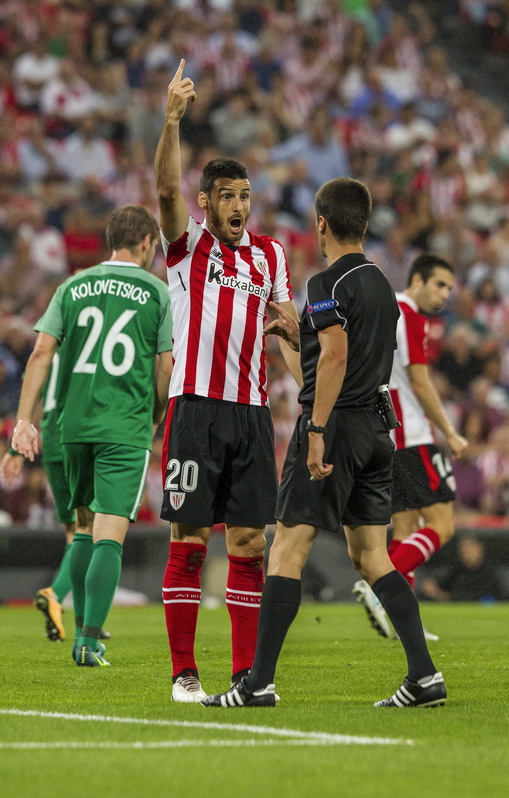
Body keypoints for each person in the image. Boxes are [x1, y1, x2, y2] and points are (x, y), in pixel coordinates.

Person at [202, 177, 447, 709]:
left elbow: (335, 358)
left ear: (321, 223)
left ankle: (258, 683)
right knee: (372, 557)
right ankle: (425, 676)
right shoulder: (382, 284)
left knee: (287, 548)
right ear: (365, 223)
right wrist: (298, 339)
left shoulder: (326, 282)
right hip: (377, 430)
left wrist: (314, 430)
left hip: (335, 428)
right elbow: (341, 358)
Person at [154, 60, 302, 702]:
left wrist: (313, 398)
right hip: (194, 407)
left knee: (248, 542)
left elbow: (286, 330)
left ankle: (246, 675)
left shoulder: (271, 256)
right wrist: (172, 120)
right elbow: (165, 191)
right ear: (207, 202)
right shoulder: (187, 247)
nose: (239, 205)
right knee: (188, 538)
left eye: (245, 196)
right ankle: (184, 672)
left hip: (250, 413)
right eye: (227, 196)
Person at [12, 204, 173, 666]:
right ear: (147, 242)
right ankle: (87, 641)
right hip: (124, 425)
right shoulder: (157, 291)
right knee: (109, 534)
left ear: (110, 240)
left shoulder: (72, 285)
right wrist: (156, 415)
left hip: (73, 427)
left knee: (82, 527)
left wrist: (23, 420)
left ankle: (82, 625)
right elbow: (166, 366)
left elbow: (41, 351)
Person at [353, 255, 469, 640]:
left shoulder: (385, 312)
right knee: (442, 525)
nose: (445, 295)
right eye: (439, 285)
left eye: (449, 288)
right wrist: (449, 431)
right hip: (413, 435)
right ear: (417, 279)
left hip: (386, 436)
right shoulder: (412, 317)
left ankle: (408, 623)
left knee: (406, 529)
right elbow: (419, 381)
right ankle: (379, 584)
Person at [0, 353, 109, 643]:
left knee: (74, 531)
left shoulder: (46, 352)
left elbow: (32, 397)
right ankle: (59, 597)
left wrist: (14, 449)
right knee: (89, 529)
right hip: (76, 435)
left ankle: (81, 616)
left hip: (50, 441)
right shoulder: (82, 345)